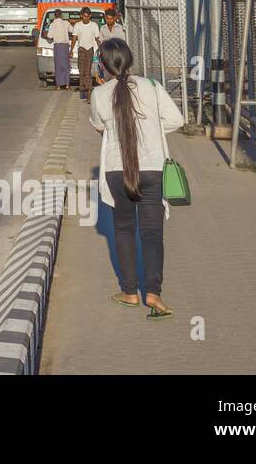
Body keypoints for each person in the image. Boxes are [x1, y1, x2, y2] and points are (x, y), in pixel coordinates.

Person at [90, 39, 184, 319]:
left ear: (104, 66)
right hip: (154, 168)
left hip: (117, 171)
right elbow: (176, 120)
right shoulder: (152, 87)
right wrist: (153, 129)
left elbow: (98, 125)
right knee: (153, 234)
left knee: (123, 229)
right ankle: (154, 293)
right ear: (130, 60)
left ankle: (129, 292)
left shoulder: (99, 94)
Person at [72, 7, 100, 101]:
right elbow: (74, 38)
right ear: (81, 16)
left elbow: (97, 39)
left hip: (89, 50)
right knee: (81, 71)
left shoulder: (94, 25)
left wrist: (101, 49)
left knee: (87, 72)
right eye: (84, 16)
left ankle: (89, 93)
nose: (86, 18)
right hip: (81, 49)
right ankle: (83, 90)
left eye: (88, 16)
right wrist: (71, 50)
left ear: (90, 16)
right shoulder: (77, 25)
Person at [46, 11, 74, 90]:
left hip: (57, 47)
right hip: (65, 46)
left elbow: (49, 36)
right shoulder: (66, 23)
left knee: (58, 66)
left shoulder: (52, 24)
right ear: (61, 15)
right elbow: (73, 30)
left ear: (55, 16)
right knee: (66, 66)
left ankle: (58, 85)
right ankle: (67, 85)